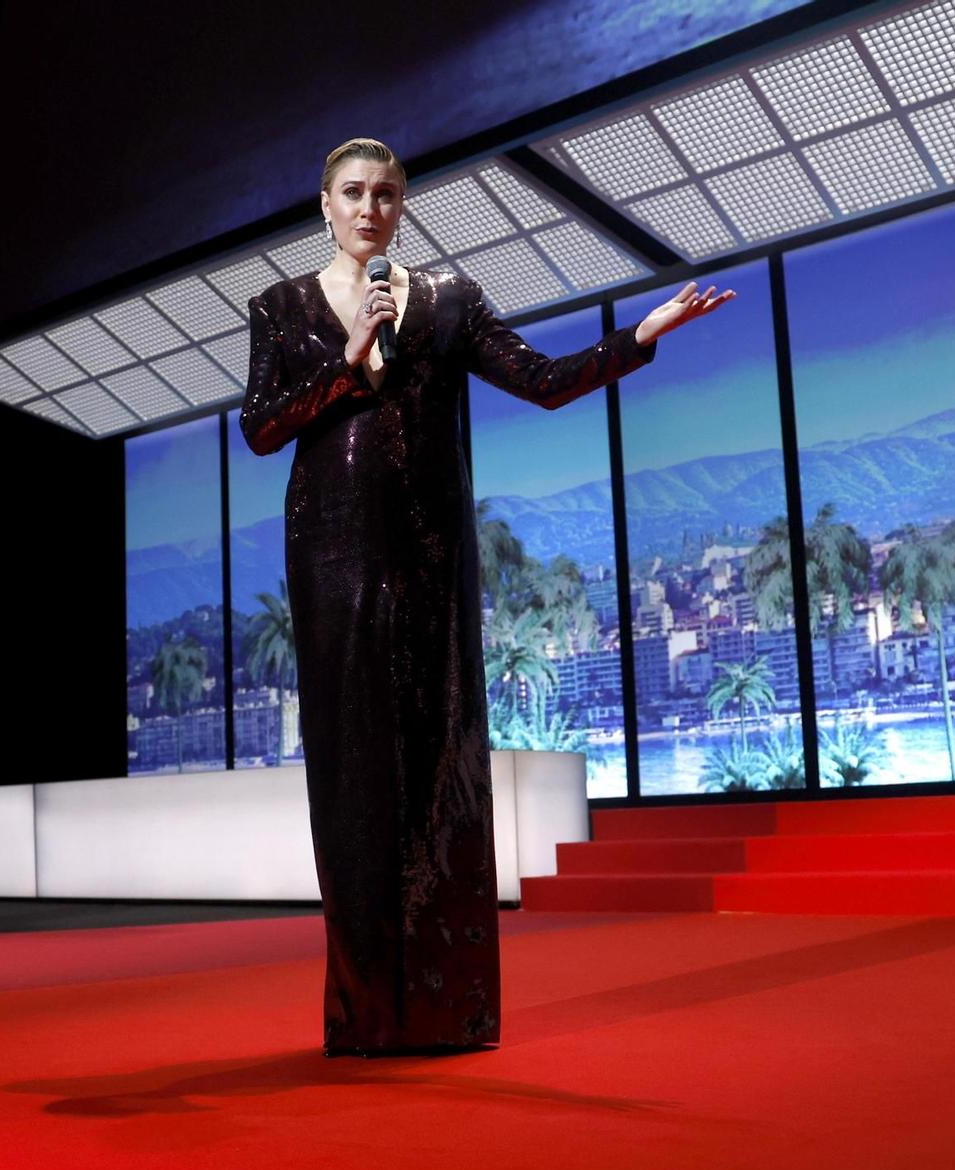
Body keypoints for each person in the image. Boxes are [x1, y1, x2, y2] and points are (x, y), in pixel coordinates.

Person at [240, 138, 731, 1055]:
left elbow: (541, 383)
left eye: (386, 194)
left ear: (403, 205)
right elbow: (262, 427)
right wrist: (347, 361)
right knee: (351, 781)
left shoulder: (449, 300)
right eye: (352, 193)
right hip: (333, 557)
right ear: (324, 205)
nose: (369, 208)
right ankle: (365, 1010)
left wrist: (640, 337)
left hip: (430, 559)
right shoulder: (280, 308)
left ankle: (444, 1010)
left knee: (440, 770)